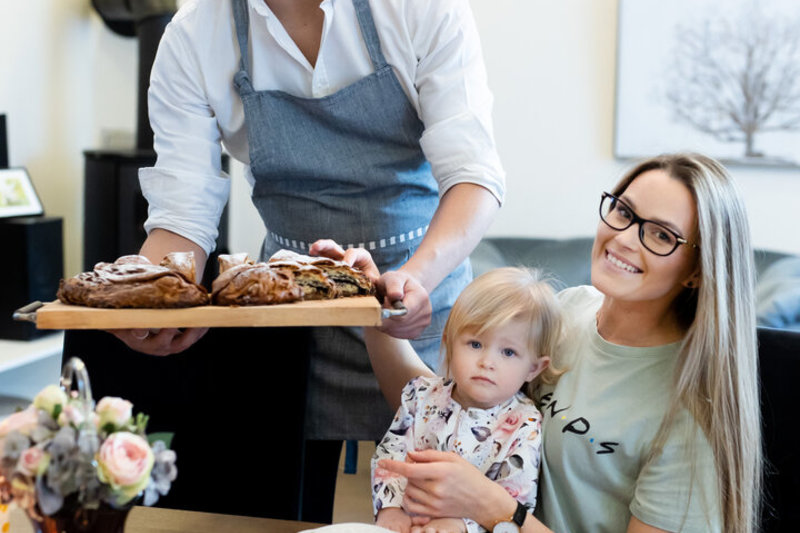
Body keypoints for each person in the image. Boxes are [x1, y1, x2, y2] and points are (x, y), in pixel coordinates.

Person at [91, 0, 505, 522]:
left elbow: (474, 176)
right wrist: (157, 296)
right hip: (288, 319)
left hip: (420, 309)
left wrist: (411, 281)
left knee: (429, 515)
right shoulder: (196, 34)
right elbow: (183, 213)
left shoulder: (419, 9)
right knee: (281, 514)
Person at [356, 154, 761, 533]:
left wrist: (494, 507)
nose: (624, 239)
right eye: (623, 211)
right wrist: (371, 308)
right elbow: (438, 404)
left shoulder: (692, 414)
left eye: (660, 235)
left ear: (697, 270)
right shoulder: (566, 312)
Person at [370, 268, 562, 533]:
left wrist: (463, 524)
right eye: (475, 344)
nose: (487, 362)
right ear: (450, 343)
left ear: (534, 368)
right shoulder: (420, 395)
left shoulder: (524, 425)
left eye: (508, 352)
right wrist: (390, 510)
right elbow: (390, 455)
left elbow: (514, 500)